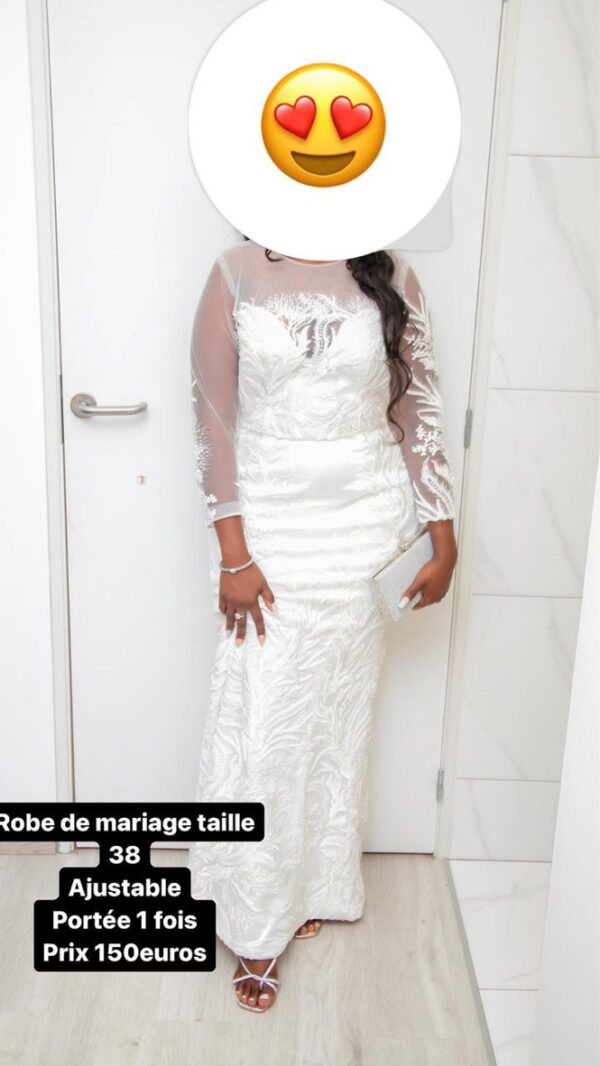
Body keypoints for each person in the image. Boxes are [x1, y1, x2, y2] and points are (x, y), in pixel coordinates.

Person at [187, 238, 457, 1012]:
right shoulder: (234, 272)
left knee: (335, 714)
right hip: (270, 524)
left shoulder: (392, 272)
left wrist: (441, 528)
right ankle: (255, 916)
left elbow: (418, 408)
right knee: (265, 716)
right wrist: (234, 553)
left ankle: (314, 886)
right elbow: (212, 419)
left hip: (365, 524)